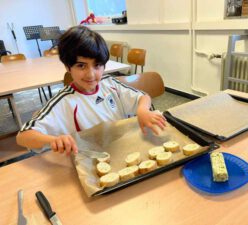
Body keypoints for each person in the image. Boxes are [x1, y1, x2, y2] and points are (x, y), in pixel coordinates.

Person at [16, 26, 166, 155]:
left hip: (124, 147)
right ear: (68, 67)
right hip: (91, 158)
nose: (91, 74)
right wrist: (54, 139)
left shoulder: (110, 84)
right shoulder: (64, 102)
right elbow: (23, 136)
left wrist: (142, 111)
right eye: (81, 65)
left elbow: (143, 97)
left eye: (97, 65)